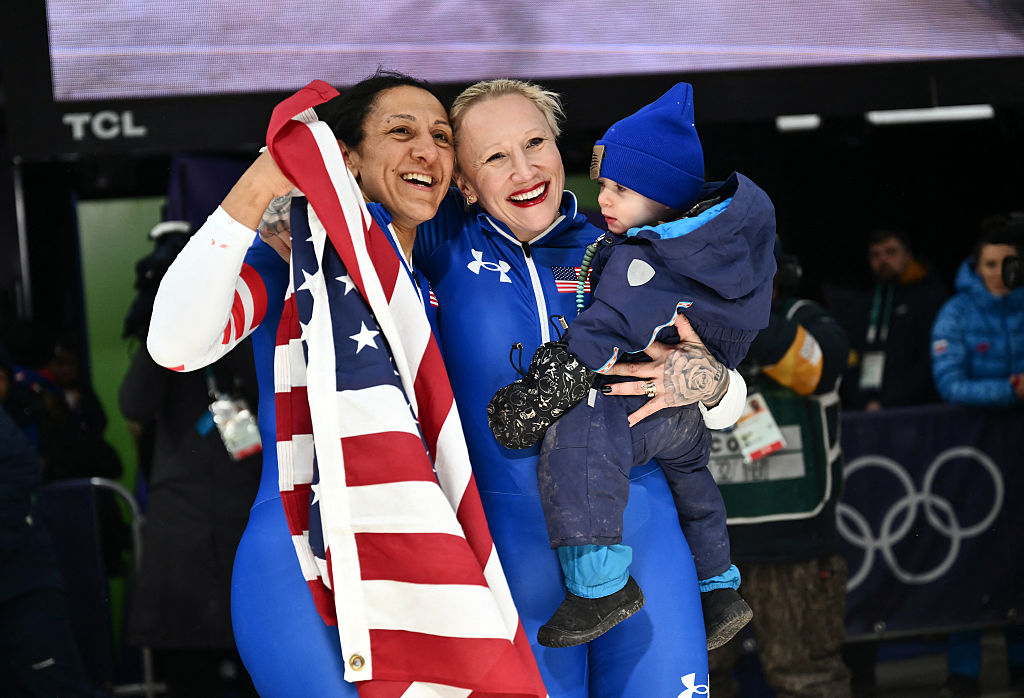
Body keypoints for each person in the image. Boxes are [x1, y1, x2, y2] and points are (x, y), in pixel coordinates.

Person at [149, 72, 745, 697]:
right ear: (464, 180)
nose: (523, 169)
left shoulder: (621, 253)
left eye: (535, 143)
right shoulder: (405, 249)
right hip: (491, 561)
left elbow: (730, 402)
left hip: (643, 542)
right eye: (492, 155)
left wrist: (703, 382)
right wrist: (274, 180)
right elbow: (177, 343)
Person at [486, 82, 775, 650]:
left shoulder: (633, 251)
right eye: (495, 156)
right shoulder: (706, 247)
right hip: (666, 445)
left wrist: (713, 386)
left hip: (628, 439)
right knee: (695, 481)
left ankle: (599, 586)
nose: (605, 200)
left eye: (619, 188)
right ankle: (718, 587)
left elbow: (607, 333)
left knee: (579, 428)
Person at [119, 223, 260, 698]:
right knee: (192, 664)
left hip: (242, 508)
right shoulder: (161, 337)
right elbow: (134, 403)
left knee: (250, 655)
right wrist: (164, 322)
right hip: (188, 522)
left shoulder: (249, 314)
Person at [706, 242, 853, 697]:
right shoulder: (676, 320)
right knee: (696, 680)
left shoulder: (807, 319)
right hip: (706, 545)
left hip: (796, 544)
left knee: (806, 677)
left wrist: (728, 321)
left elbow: (822, 368)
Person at [930, 219, 1024, 697]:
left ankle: (1019, 663)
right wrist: (1011, 389)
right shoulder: (957, 313)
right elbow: (951, 384)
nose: (998, 272)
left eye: (1007, 263)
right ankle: (963, 671)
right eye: (989, 263)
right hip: (970, 461)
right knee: (970, 558)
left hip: (1016, 459)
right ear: (976, 264)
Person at [833, 227, 947, 410]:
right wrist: (863, 401)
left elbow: (928, 362)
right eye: (875, 255)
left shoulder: (930, 299)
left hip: (915, 410)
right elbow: (850, 357)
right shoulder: (864, 305)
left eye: (891, 252)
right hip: (866, 411)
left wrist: (889, 402)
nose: (883, 260)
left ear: (908, 256)